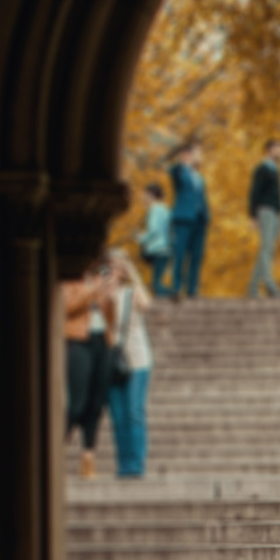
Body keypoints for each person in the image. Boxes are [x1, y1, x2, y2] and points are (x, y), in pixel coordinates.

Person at [62, 259, 116, 479]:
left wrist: (108, 295)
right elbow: (67, 307)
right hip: (77, 340)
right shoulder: (71, 280)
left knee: (96, 403)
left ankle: (88, 458)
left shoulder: (99, 280)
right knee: (77, 403)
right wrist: (92, 291)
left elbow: (112, 316)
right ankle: (57, 447)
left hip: (102, 340)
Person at [106, 250, 154, 477]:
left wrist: (133, 272)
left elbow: (146, 305)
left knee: (134, 411)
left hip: (136, 359)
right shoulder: (100, 295)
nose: (112, 271)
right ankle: (123, 463)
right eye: (108, 266)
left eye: (116, 267)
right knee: (117, 415)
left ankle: (136, 463)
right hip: (110, 360)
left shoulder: (131, 292)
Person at [169, 143, 209, 300]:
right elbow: (174, 172)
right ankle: (176, 287)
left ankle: (192, 289)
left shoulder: (200, 176)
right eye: (198, 153)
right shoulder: (180, 172)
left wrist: (206, 216)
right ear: (188, 155)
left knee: (197, 255)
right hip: (184, 218)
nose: (200, 156)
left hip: (200, 220)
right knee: (180, 252)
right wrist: (182, 161)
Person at [247, 139, 280, 297]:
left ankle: (253, 287)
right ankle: (269, 282)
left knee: (267, 250)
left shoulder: (277, 170)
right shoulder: (262, 169)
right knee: (266, 249)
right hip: (265, 210)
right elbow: (254, 192)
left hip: (275, 213)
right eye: (278, 149)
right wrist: (253, 215)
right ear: (270, 150)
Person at [137, 183, 172, 297]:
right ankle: (172, 295)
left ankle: (172, 296)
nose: (144, 198)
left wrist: (141, 238)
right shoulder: (166, 210)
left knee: (157, 285)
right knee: (157, 282)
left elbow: (154, 230)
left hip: (157, 249)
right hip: (167, 249)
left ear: (151, 195)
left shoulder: (154, 209)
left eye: (146, 195)